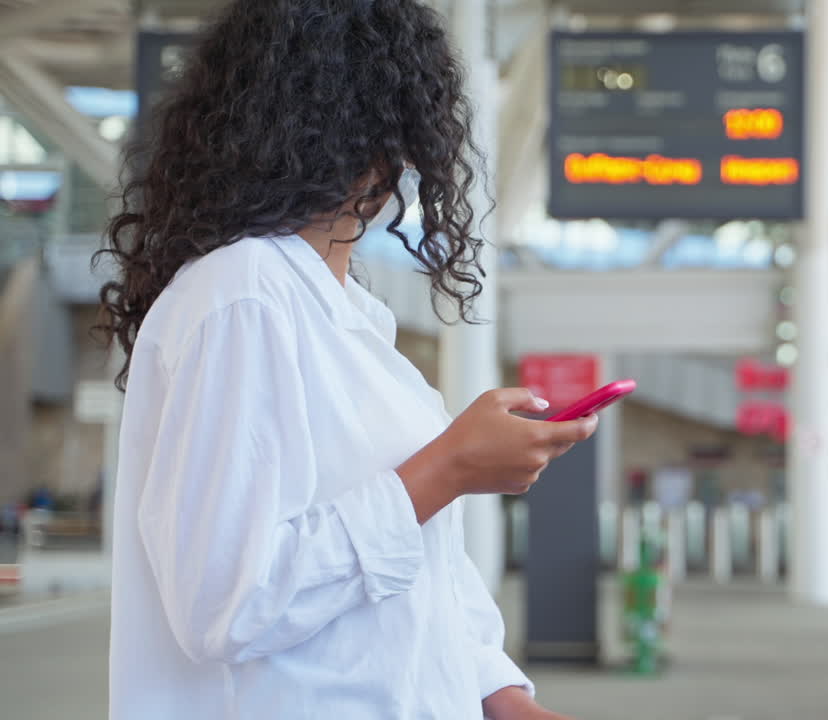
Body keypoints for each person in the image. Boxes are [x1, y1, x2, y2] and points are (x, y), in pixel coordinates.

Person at [95, 2, 595, 718]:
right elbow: (225, 603)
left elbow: (419, 582)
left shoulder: (352, 321)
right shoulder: (243, 296)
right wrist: (447, 468)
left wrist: (501, 694)